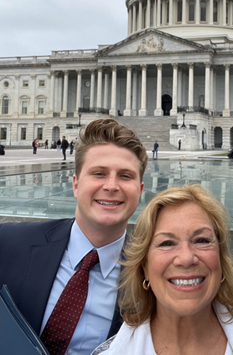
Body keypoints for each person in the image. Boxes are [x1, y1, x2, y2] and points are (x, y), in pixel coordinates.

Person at [0, 118, 148, 355]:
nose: (111, 186)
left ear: (139, 191)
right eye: (99, 173)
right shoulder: (8, 244)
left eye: (125, 176)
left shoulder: (152, 275)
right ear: (76, 185)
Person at [92, 184, 233, 355]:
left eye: (201, 240)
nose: (186, 258)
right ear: (144, 268)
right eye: (167, 243)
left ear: (220, 259)